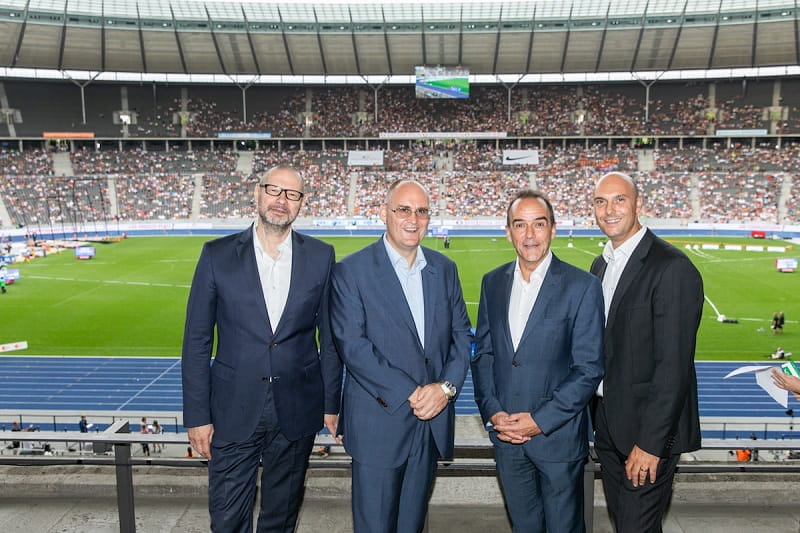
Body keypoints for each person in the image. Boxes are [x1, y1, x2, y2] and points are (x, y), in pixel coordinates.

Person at [181, 165, 342, 532]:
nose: (282, 201)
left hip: (296, 409)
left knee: (280, 519)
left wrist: (331, 403)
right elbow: (196, 341)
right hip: (232, 409)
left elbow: (329, 338)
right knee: (226, 519)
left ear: (302, 203)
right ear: (257, 193)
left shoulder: (321, 256)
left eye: (292, 195)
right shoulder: (216, 255)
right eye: (274, 190)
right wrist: (196, 416)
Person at [330, 178, 471, 533]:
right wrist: (414, 393)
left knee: (412, 524)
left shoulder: (445, 269)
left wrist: (446, 389)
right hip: (380, 422)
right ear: (384, 214)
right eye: (403, 210)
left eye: (421, 211)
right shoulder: (351, 271)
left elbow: (461, 337)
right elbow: (353, 345)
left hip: (430, 422)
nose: (413, 219)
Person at [471, 190, 605, 532]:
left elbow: (588, 368)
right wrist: (493, 411)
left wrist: (540, 420)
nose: (530, 235)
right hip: (506, 439)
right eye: (520, 225)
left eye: (538, 224)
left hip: (557, 440)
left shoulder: (583, 286)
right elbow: (484, 354)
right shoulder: (492, 283)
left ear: (553, 230)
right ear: (508, 232)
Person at [590, 172, 704, 533]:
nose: (609, 210)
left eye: (619, 200)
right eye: (600, 201)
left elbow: (674, 367)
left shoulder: (671, 267)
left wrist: (651, 444)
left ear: (639, 204)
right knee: (630, 524)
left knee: (634, 527)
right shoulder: (600, 265)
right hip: (608, 425)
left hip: (646, 434)